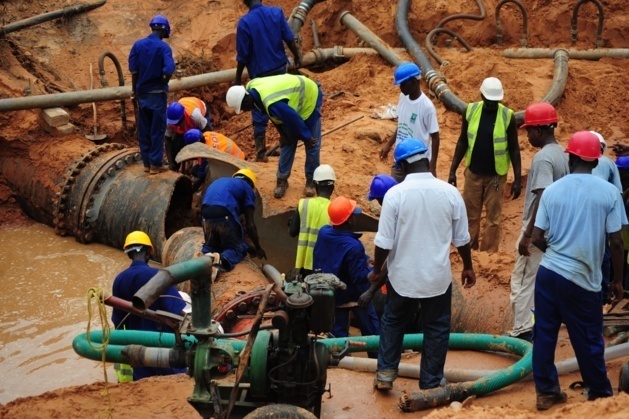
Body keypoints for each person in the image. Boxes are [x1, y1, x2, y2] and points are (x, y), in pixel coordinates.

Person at [370, 138, 475, 390]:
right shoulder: (450, 193)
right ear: (426, 160)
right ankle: (430, 381)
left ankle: (385, 373)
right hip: (436, 279)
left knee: (393, 321)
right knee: (436, 327)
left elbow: (384, 241)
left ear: (404, 166)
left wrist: (376, 270)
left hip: (402, 277)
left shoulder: (394, 195)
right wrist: (468, 267)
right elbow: (462, 239)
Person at [531, 131, 624, 410]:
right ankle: (599, 394)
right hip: (582, 279)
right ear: (596, 162)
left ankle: (546, 391)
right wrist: (617, 280)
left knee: (545, 334)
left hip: (548, 274)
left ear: (569, 158)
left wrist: (557, 254)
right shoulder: (609, 193)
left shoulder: (553, 190)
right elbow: (617, 242)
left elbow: (536, 237)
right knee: (588, 337)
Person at [508, 103, 569, 342]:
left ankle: (523, 330)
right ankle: (538, 326)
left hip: (538, 230)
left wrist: (529, 233)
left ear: (541, 130)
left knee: (523, 280)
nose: (527, 135)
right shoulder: (562, 153)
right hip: (555, 229)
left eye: (529, 130)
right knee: (540, 279)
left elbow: (542, 195)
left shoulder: (543, 158)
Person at [448, 77, 522, 253]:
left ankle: (489, 253)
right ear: (481, 95)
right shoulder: (470, 110)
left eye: (495, 102)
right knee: (470, 215)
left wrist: (517, 179)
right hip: (473, 174)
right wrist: (452, 170)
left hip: (496, 176)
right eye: (488, 101)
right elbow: (462, 142)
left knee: (493, 218)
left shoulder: (507, 116)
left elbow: (514, 149)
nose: (491, 105)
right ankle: (469, 251)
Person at [226, 74, 322, 198]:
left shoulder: (271, 102)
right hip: (290, 104)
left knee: (312, 144)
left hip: (308, 98)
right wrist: (282, 134)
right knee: (287, 142)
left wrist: (307, 137)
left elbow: (292, 119)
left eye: (243, 107)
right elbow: (274, 116)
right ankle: (281, 180)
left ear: (246, 100)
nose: (245, 111)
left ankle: (311, 181)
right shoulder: (251, 88)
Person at [111, 231, 187, 381]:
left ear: (128, 254)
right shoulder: (160, 276)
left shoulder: (119, 280)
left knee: (144, 386)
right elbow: (178, 313)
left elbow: (117, 322)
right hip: (164, 350)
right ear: (148, 253)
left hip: (138, 353)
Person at [235, 0, 302, 163]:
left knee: (259, 110)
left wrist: (237, 78)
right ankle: (287, 141)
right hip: (280, 71)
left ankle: (261, 153)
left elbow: (243, 56)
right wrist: (298, 55)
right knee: (283, 105)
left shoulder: (245, 23)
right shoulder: (276, 13)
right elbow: (289, 38)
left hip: (260, 77)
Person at [313, 196, 380, 356]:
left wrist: (364, 259)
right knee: (372, 330)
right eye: (353, 215)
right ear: (349, 221)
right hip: (352, 293)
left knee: (338, 335)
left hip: (330, 293)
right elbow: (358, 277)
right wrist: (373, 270)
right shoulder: (354, 246)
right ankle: (377, 358)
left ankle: (340, 361)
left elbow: (337, 253)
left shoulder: (324, 232)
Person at [129, 14, 175, 175]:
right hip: (157, 94)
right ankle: (156, 164)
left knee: (145, 129)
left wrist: (135, 91)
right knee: (157, 129)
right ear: (164, 32)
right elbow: (169, 69)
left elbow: (133, 70)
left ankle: (146, 163)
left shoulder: (138, 45)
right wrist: (163, 81)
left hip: (142, 94)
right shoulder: (164, 48)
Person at [379, 62, 440, 180]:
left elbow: (435, 136)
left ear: (414, 82)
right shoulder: (403, 97)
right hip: (400, 160)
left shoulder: (426, 107)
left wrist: (432, 167)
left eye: (403, 84)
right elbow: (402, 125)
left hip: (418, 164)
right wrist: (389, 144)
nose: (401, 88)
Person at [201, 169, 266, 273]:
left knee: (212, 245)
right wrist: (258, 248)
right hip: (224, 212)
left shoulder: (222, 181)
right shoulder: (247, 188)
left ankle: (205, 260)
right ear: (252, 184)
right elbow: (250, 225)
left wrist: (247, 246)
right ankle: (221, 262)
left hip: (206, 213)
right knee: (235, 250)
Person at [591, 131, 627, 302]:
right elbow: (618, 193)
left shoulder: (570, 167)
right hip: (603, 223)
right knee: (605, 254)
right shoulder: (608, 165)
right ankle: (603, 296)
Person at [288, 164, 336, 278]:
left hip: (304, 265)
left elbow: (292, 232)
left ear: (314, 185)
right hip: (326, 266)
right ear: (332, 188)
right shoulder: (335, 209)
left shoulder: (303, 204)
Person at [165, 97, 212, 171]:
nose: (176, 125)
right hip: (186, 123)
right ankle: (175, 169)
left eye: (178, 123)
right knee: (175, 146)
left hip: (200, 116)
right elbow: (168, 141)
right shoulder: (169, 121)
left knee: (201, 141)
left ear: (183, 116)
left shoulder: (195, 116)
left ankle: (203, 167)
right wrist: (171, 163)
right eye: (174, 123)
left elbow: (209, 132)